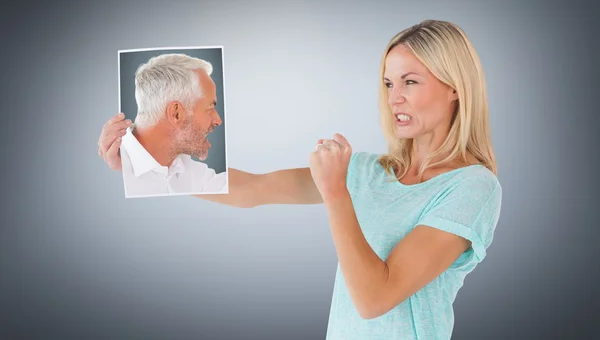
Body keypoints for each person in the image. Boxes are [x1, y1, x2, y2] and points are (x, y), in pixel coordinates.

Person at [98, 20, 501, 339]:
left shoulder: (471, 188)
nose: (394, 96)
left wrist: (335, 191)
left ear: (454, 89)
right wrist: (148, 166)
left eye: (411, 82)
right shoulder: (365, 171)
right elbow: (254, 189)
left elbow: (375, 297)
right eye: (388, 83)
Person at [114, 53, 227, 197]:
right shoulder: (112, 171)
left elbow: (250, 190)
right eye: (210, 108)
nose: (218, 120)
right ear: (176, 114)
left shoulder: (196, 176)